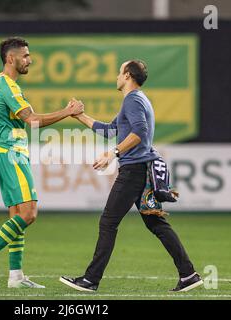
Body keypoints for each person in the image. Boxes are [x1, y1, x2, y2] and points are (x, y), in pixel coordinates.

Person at [59, 60, 203, 292]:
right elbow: (110, 131)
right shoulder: (136, 100)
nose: (117, 76)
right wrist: (79, 116)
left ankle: (90, 280)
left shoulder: (133, 100)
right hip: (143, 169)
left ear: (127, 75)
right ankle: (188, 274)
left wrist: (113, 153)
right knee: (156, 223)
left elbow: (140, 131)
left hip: (135, 170)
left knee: (108, 222)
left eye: (119, 72)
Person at [0, 37, 84, 289]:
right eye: (25, 56)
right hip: (12, 153)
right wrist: (67, 111)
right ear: (11, 58)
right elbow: (31, 120)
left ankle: (16, 276)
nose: (29, 60)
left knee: (17, 214)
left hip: (5, 151)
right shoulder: (8, 86)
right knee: (29, 213)